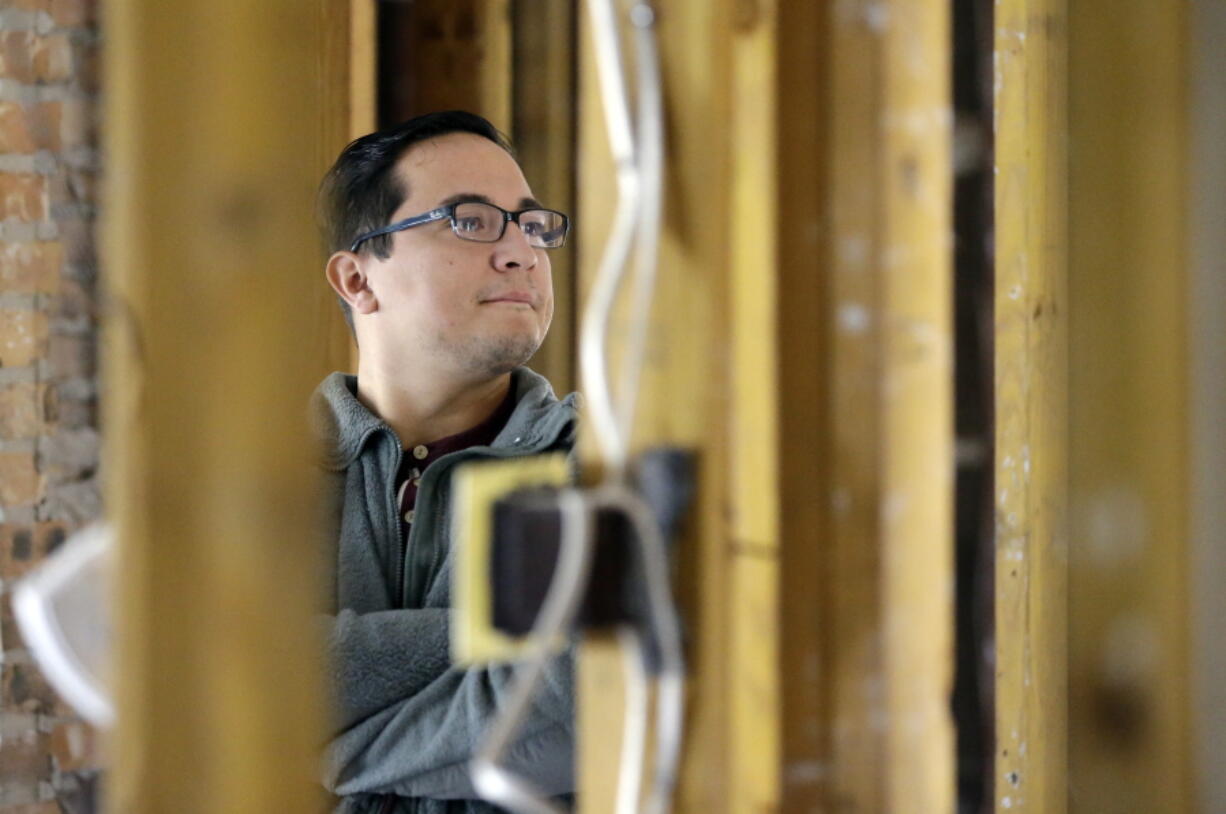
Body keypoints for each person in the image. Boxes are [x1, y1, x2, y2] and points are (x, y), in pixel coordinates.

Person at [310, 110, 579, 814]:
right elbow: (226, 684)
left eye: (530, 224)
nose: (521, 250)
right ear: (357, 279)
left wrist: (320, 747)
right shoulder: (257, 477)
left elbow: (571, 707)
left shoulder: (596, 464)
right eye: (470, 220)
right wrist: (498, 633)